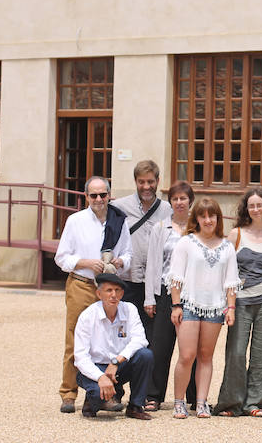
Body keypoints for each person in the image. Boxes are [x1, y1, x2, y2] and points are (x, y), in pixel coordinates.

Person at [55, 175, 130, 414]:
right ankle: (68, 393)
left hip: (110, 287)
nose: (98, 199)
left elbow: (129, 255)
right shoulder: (75, 221)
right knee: (75, 340)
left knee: (111, 341)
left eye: (103, 194)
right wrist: (85, 262)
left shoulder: (119, 220)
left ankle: (105, 394)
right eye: (93, 195)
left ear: (109, 195)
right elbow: (62, 257)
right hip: (82, 284)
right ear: (86, 197)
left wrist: (120, 262)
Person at [215, 189, 262, 417]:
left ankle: (254, 403)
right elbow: (224, 272)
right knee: (236, 353)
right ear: (246, 209)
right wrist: (225, 304)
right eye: (252, 205)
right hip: (239, 302)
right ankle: (232, 403)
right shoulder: (236, 234)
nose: (256, 209)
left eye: (260, 205)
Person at [168, 197, 240, 419]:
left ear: (218, 218)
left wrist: (231, 309)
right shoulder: (186, 242)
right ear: (196, 218)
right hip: (189, 304)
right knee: (187, 355)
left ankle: (201, 402)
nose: (208, 220)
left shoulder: (227, 246)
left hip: (215, 308)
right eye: (203, 215)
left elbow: (231, 282)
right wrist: (176, 305)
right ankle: (179, 402)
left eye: (212, 215)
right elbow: (176, 278)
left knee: (206, 356)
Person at [142, 180, 197, 411]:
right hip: (165, 293)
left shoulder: (199, 227)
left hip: (193, 295)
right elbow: (153, 264)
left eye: (183, 198)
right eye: (175, 199)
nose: (179, 202)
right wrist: (149, 298)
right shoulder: (160, 228)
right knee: (160, 347)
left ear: (190, 201)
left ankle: (195, 397)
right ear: (170, 202)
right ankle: (154, 396)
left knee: (191, 349)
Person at [73, 273, 154, 420]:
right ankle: (92, 400)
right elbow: (80, 357)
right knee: (98, 394)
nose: (113, 295)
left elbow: (140, 340)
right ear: (99, 294)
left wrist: (116, 361)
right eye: (109, 290)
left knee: (145, 355)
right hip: (94, 368)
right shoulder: (87, 316)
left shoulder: (130, 309)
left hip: (118, 366)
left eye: (117, 290)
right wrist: (100, 377)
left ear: (122, 294)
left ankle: (135, 406)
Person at [112, 160, 172, 331]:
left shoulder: (168, 210)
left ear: (158, 182)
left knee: (153, 334)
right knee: (124, 330)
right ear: (136, 182)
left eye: (150, 181)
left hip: (155, 284)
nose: (146, 186)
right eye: (142, 182)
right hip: (128, 280)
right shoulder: (119, 207)